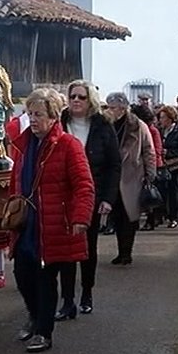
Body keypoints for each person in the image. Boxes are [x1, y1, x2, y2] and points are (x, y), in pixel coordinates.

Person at [7, 87, 94, 353]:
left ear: (53, 116)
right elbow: (16, 182)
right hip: (27, 223)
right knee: (22, 274)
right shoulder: (22, 145)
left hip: (53, 223)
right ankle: (34, 317)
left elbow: (84, 184)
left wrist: (81, 216)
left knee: (45, 279)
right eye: (29, 113)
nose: (32, 119)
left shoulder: (68, 145)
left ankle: (44, 332)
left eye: (38, 114)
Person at [55, 80, 120, 319]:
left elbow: (114, 165)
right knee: (65, 249)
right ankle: (68, 299)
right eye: (73, 96)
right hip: (63, 194)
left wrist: (108, 199)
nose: (76, 101)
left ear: (89, 100)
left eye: (81, 97)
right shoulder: (60, 124)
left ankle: (87, 293)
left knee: (87, 247)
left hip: (92, 192)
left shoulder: (103, 126)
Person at [109, 93, 156, 265]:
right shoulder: (108, 125)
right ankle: (121, 251)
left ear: (122, 109)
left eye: (113, 107)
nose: (110, 111)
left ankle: (126, 252)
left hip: (132, 176)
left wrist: (150, 174)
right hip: (113, 177)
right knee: (116, 215)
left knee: (129, 216)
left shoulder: (138, 126)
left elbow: (148, 150)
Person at [132, 104, 164, 231]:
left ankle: (151, 221)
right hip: (138, 166)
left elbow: (156, 149)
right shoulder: (136, 129)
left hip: (148, 166)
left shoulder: (151, 130)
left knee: (148, 194)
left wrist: (150, 168)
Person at [158, 105, 178, 228]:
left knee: (174, 190)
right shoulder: (160, 131)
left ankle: (174, 217)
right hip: (163, 165)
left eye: (163, 117)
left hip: (176, 166)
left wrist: (168, 152)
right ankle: (163, 214)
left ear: (170, 118)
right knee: (162, 190)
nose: (160, 120)